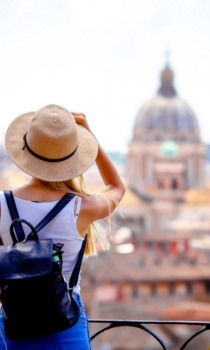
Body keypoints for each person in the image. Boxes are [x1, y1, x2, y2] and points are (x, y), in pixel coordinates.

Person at [0, 104, 125, 349]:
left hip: (13, 326)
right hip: (65, 327)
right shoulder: (82, 208)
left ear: (26, 151)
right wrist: (92, 139)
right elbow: (116, 188)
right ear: (74, 156)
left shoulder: (1, 204)